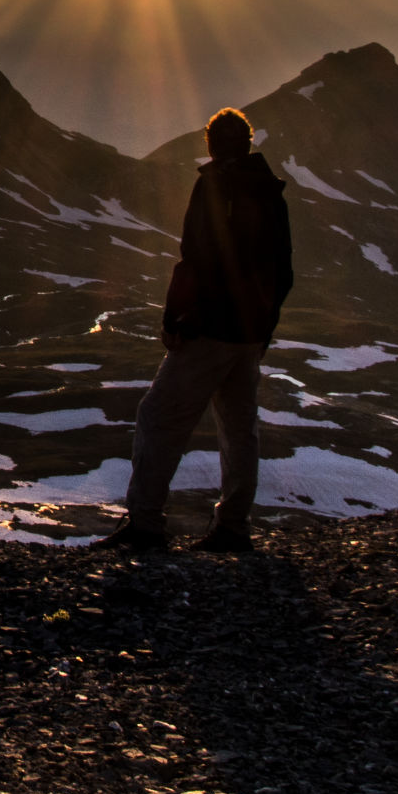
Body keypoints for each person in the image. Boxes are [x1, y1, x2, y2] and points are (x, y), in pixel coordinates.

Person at [95, 106, 293, 554]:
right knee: (239, 428)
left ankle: (145, 524)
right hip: (249, 334)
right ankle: (234, 528)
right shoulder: (270, 191)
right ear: (248, 142)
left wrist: (176, 322)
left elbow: (198, 260)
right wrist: (264, 330)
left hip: (211, 329)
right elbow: (284, 270)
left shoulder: (213, 185)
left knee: (158, 416)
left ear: (210, 143)